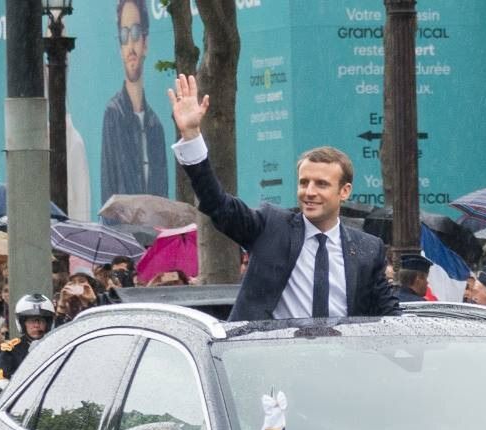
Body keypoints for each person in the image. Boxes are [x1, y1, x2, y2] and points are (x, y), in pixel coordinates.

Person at [168, 74, 400, 321]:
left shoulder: (368, 249)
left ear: (345, 191)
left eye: (321, 184)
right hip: (271, 355)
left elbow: (389, 316)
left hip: (340, 356)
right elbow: (217, 203)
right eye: (304, 182)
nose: (309, 192)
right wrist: (192, 136)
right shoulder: (271, 226)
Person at [100, 0, 169, 204]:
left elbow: (163, 198)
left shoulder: (156, 126)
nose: (130, 45)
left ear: (145, 43)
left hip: (155, 232)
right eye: (124, 35)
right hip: (124, 232)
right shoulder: (113, 114)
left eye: (136, 32)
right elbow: (108, 192)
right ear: (120, 47)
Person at [0, 294, 55, 394]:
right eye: (31, 321)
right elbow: (1, 378)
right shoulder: (11, 349)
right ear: (22, 323)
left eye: (41, 321)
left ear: (48, 323)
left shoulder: (56, 346)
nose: (36, 326)